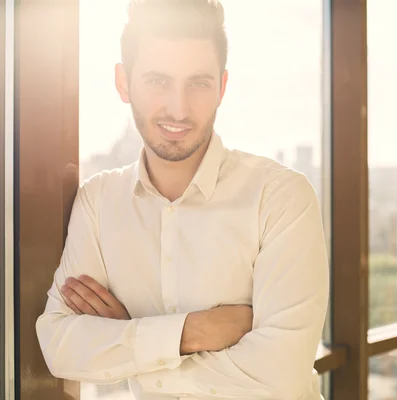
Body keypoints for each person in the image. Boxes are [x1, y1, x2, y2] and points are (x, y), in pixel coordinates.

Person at [35, 1, 330, 399]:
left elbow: (280, 380)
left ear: (222, 88)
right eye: (158, 80)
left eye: (199, 83)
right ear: (123, 83)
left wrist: (134, 344)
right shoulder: (98, 202)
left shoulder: (279, 198)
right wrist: (190, 332)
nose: (179, 107)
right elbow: (60, 346)